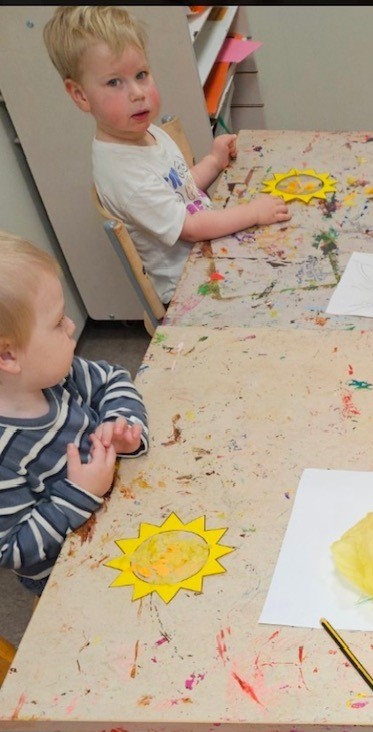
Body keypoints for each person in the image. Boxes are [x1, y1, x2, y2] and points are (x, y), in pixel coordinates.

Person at [42, 5, 291, 306]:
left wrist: (213, 162)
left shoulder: (144, 131)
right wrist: (253, 213)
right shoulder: (125, 175)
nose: (137, 93)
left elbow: (179, 188)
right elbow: (191, 229)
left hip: (211, 250)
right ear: (80, 95)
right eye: (114, 82)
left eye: (141, 74)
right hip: (192, 286)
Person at [0, 232, 149, 596]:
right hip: (75, 574)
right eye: (58, 323)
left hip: (125, 508)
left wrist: (121, 425)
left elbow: (112, 379)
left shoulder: (57, 375)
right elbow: (14, 550)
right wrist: (81, 492)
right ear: (8, 356)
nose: (71, 326)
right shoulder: (6, 452)